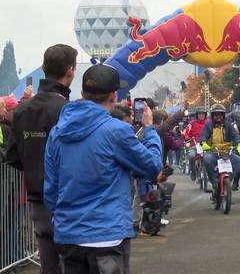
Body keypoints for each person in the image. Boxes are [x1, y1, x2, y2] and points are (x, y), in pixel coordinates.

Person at [44, 64, 162, 273]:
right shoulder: (116, 131)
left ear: (82, 93)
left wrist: (63, 219)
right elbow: (152, 166)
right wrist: (150, 130)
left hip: (69, 234)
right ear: (114, 95)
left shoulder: (57, 132)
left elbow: (51, 189)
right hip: (107, 236)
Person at [6, 44, 77, 274]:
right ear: (70, 71)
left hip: (38, 199)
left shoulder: (22, 110)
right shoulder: (66, 110)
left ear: (44, 68)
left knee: (48, 265)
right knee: (72, 263)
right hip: (66, 200)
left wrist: (34, 166)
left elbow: (12, 155)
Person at [200, 104, 240, 200]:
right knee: (207, 159)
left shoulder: (229, 126)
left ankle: (228, 181)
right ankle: (215, 182)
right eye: (216, 114)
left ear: (224, 115)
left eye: (220, 114)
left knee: (238, 160)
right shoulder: (208, 126)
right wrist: (204, 144)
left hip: (228, 153)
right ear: (212, 115)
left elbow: (236, 136)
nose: (218, 117)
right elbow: (203, 136)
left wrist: (239, 144)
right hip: (214, 153)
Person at [183, 106, 208, 181]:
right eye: (200, 114)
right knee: (191, 156)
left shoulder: (209, 123)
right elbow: (185, 132)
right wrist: (187, 138)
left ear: (205, 115)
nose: (201, 115)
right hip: (194, 145)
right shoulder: (192, 123)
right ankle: (193, 172)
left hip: (206, 146)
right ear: (197, 115)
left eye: (203, 114)